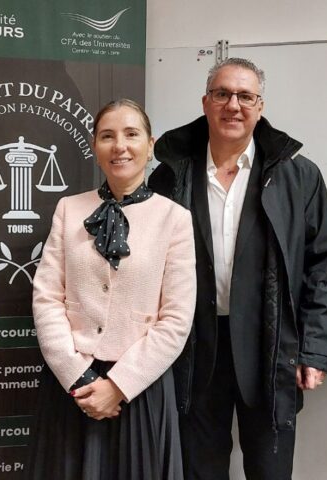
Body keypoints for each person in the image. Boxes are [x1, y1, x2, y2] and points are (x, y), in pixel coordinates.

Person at [148, 58, 327, 479]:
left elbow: (324, 265)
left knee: (270, 468)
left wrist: (313, 349)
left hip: (271, 347)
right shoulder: (170, 175)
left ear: (260, 106)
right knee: (198, 468)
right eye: (222, 94)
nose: (233, 105)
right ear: (205, 102)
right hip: (192, 348)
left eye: (245, 96)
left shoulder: (299, 177)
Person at [29, 99, 196, 479]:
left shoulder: (175, 219)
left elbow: (176, 319)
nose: (119, 146)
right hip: (72, 387)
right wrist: (78, 376)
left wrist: (118, 386)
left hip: (138, 389)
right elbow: (47, 297)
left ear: (150, 146)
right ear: (95, 146)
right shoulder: (69, 209)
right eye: (107, 136)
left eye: (131, 134)